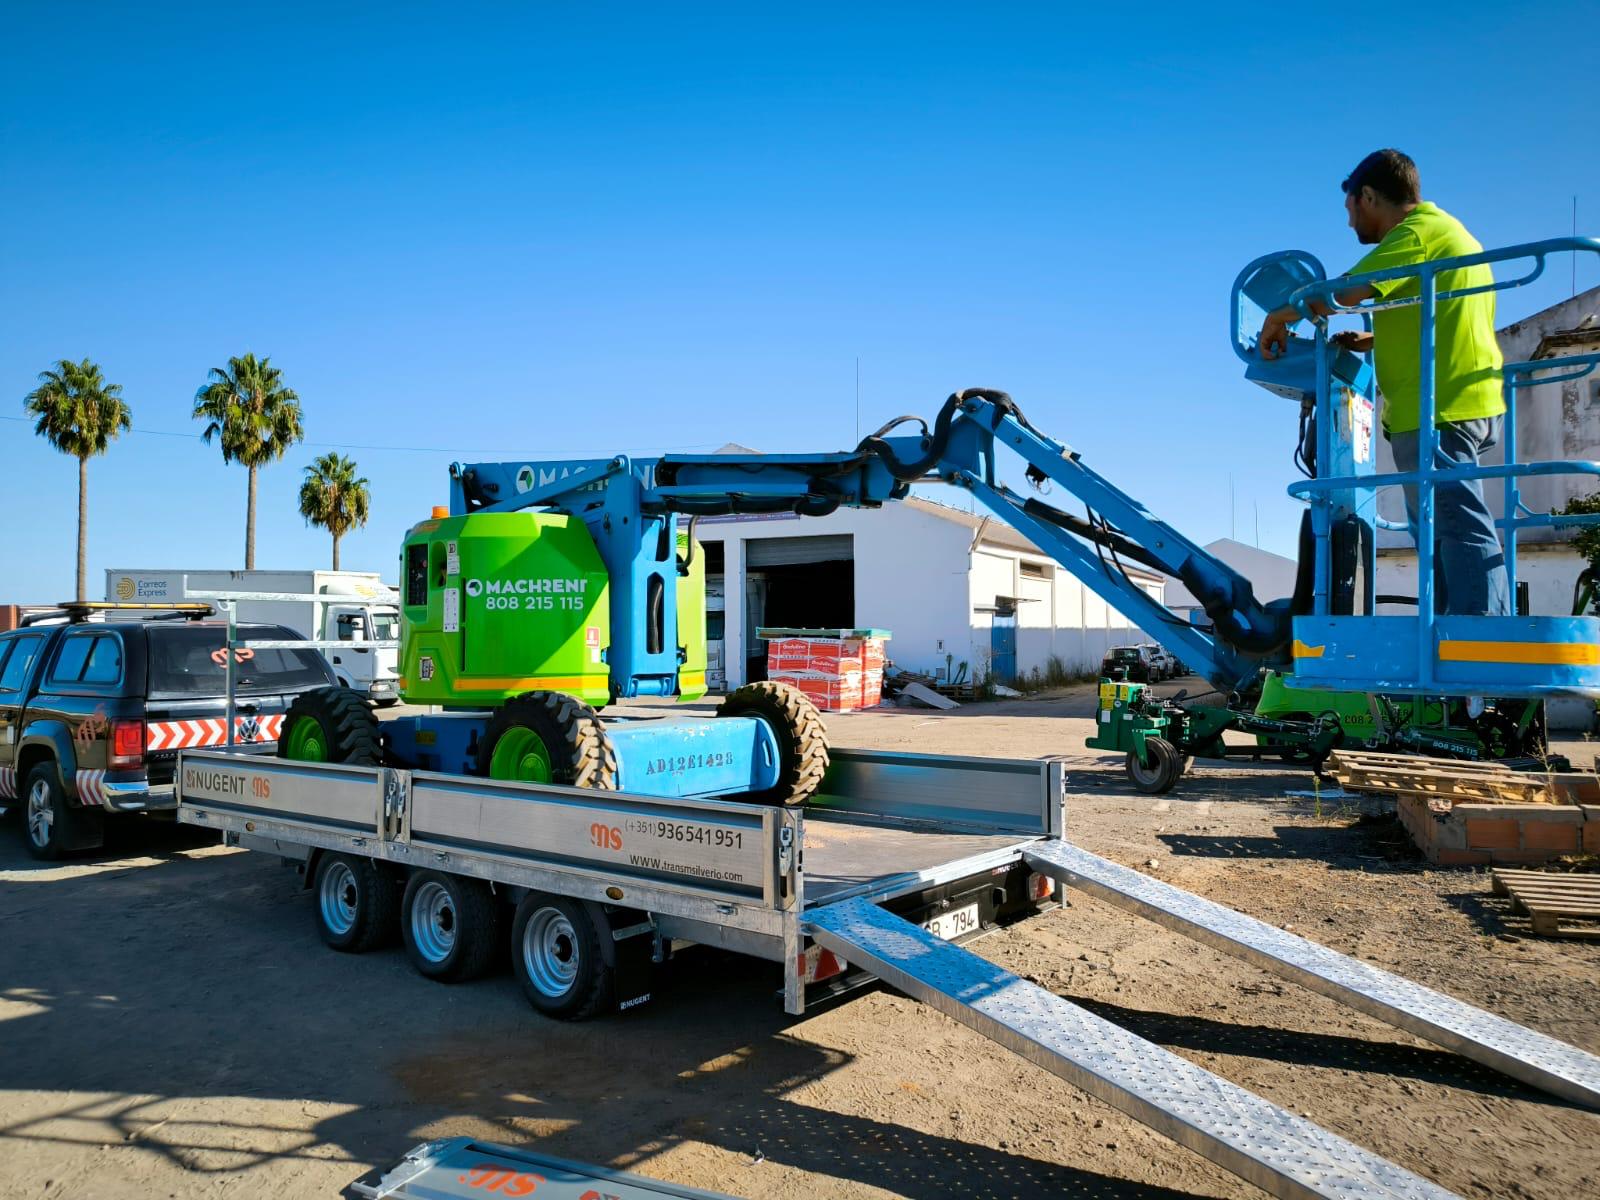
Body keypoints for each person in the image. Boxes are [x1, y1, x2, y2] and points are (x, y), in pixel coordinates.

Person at [1260, 149, 1509, 617]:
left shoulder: (1416, 234)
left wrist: (1280, 315)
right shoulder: (1450, 233)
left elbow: (1344, 291)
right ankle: (1456, 629)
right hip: (1463, 399)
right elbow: (1440, 312)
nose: (1351, 223)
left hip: (1436, 406)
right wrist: (1374, 339)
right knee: (1439, 528)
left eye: (1352, 209)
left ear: (1369, 196)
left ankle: (1482, 635)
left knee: (1453, 524)